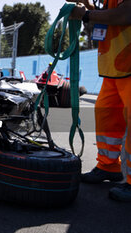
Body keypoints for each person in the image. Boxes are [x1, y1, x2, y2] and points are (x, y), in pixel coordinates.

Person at [68, 0, 131, 201]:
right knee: (106, 115)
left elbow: (126, 14)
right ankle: (108, 165)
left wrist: (86, 14)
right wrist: (87, 8)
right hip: (114, 68)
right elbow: (105, 18)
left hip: (128, 66)